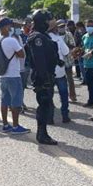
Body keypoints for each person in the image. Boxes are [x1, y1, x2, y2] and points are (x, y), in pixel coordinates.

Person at [26, 10, 60, 145]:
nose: (50, 22)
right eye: (48, 20)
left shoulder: (43, 35)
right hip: (42, 77)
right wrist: (44, 78)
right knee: (44, 105)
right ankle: (42, 134)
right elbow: (39, 60)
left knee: (46, 105)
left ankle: (43, 133)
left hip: (47, 74)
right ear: (42, 21)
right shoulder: (37, 37)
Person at [0, 18, 30, 135]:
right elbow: (22, 55)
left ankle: (5, 124)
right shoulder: (11, 40)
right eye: (11, 26)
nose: (12, 28)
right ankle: (16, 126)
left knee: (4, 101)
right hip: (13, 74)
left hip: (3, 75)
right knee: (16, 101)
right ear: (6, 27)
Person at [48, 20, 71, 124]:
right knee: (63, 95)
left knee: (49, 95)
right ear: (55, 28)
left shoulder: (43, 38)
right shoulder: (58, 39)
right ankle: (65, 116)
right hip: (60, 71)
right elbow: (66, 51)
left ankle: (50, 117)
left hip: (48, 72)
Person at [58, 20, 77, 102]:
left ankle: (72, 96)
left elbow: (73, 45)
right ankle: (63, 96)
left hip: (68, 60)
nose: (61, 28)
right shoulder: (55, 36)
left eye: (63, 26)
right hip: (58, 61)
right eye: (60, 27)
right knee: (60, 80)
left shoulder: (68, 34)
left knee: (70, 79)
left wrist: (64, 45)